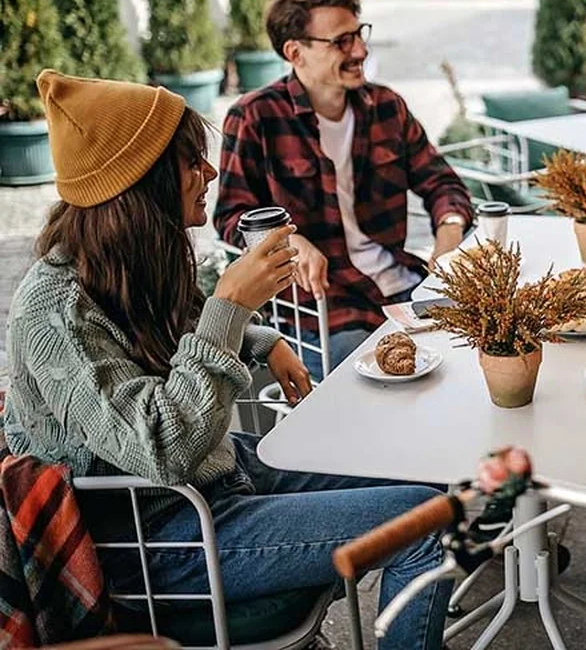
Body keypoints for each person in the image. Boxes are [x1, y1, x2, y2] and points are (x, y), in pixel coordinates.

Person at [4, 71, 452, 649]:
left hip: (220, 475)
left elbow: (189, 329)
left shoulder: (127, 254)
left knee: (425, 469)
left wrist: (262, 340)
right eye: (191, 162)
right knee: (423, 523)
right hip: (162, 540)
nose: (210, 173)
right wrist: (231, 305)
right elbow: (161, 449)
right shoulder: (56, 312)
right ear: (140, 181)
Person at [215, 0, 473, 378]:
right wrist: (287, 240)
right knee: (373, 388)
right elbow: (232, 215)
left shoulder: (386, 107)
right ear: (295, 52)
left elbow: (443, 183)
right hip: (321, 307)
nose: (360, 51)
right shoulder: (254, 117)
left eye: (359, 34)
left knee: (475, 352)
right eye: (341, 41)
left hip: (403, 284)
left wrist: (449, 239)